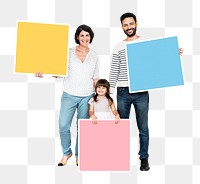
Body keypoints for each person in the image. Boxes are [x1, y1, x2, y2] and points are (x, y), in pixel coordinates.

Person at [109, 12, 184, 171]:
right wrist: (108, 95)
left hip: (141, 92)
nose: (128, 27)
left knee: (143, 126)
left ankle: (144, 158)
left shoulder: (145, 43)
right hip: (122, 92)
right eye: (125, 25)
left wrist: (173, 54)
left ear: (136, 23)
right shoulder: (117, 47)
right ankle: (118, 157)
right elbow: (114, 71)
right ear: (122, 26)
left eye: (131, 24)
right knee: (120, 126)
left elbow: (159, 61)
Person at [35, 24, 100, 166]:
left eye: (87, 35)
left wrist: (100, 96)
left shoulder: (94, 55)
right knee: (64, 125)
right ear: (77, 37)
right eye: (82, 35)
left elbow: (95, 77)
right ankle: (66, 152)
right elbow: (57, 72)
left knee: (82, 127)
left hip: (87, 96)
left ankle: (78, 155)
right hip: (69, 95)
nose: (85, 38)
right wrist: (41, 71)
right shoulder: (68, 52)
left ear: (90, 37)